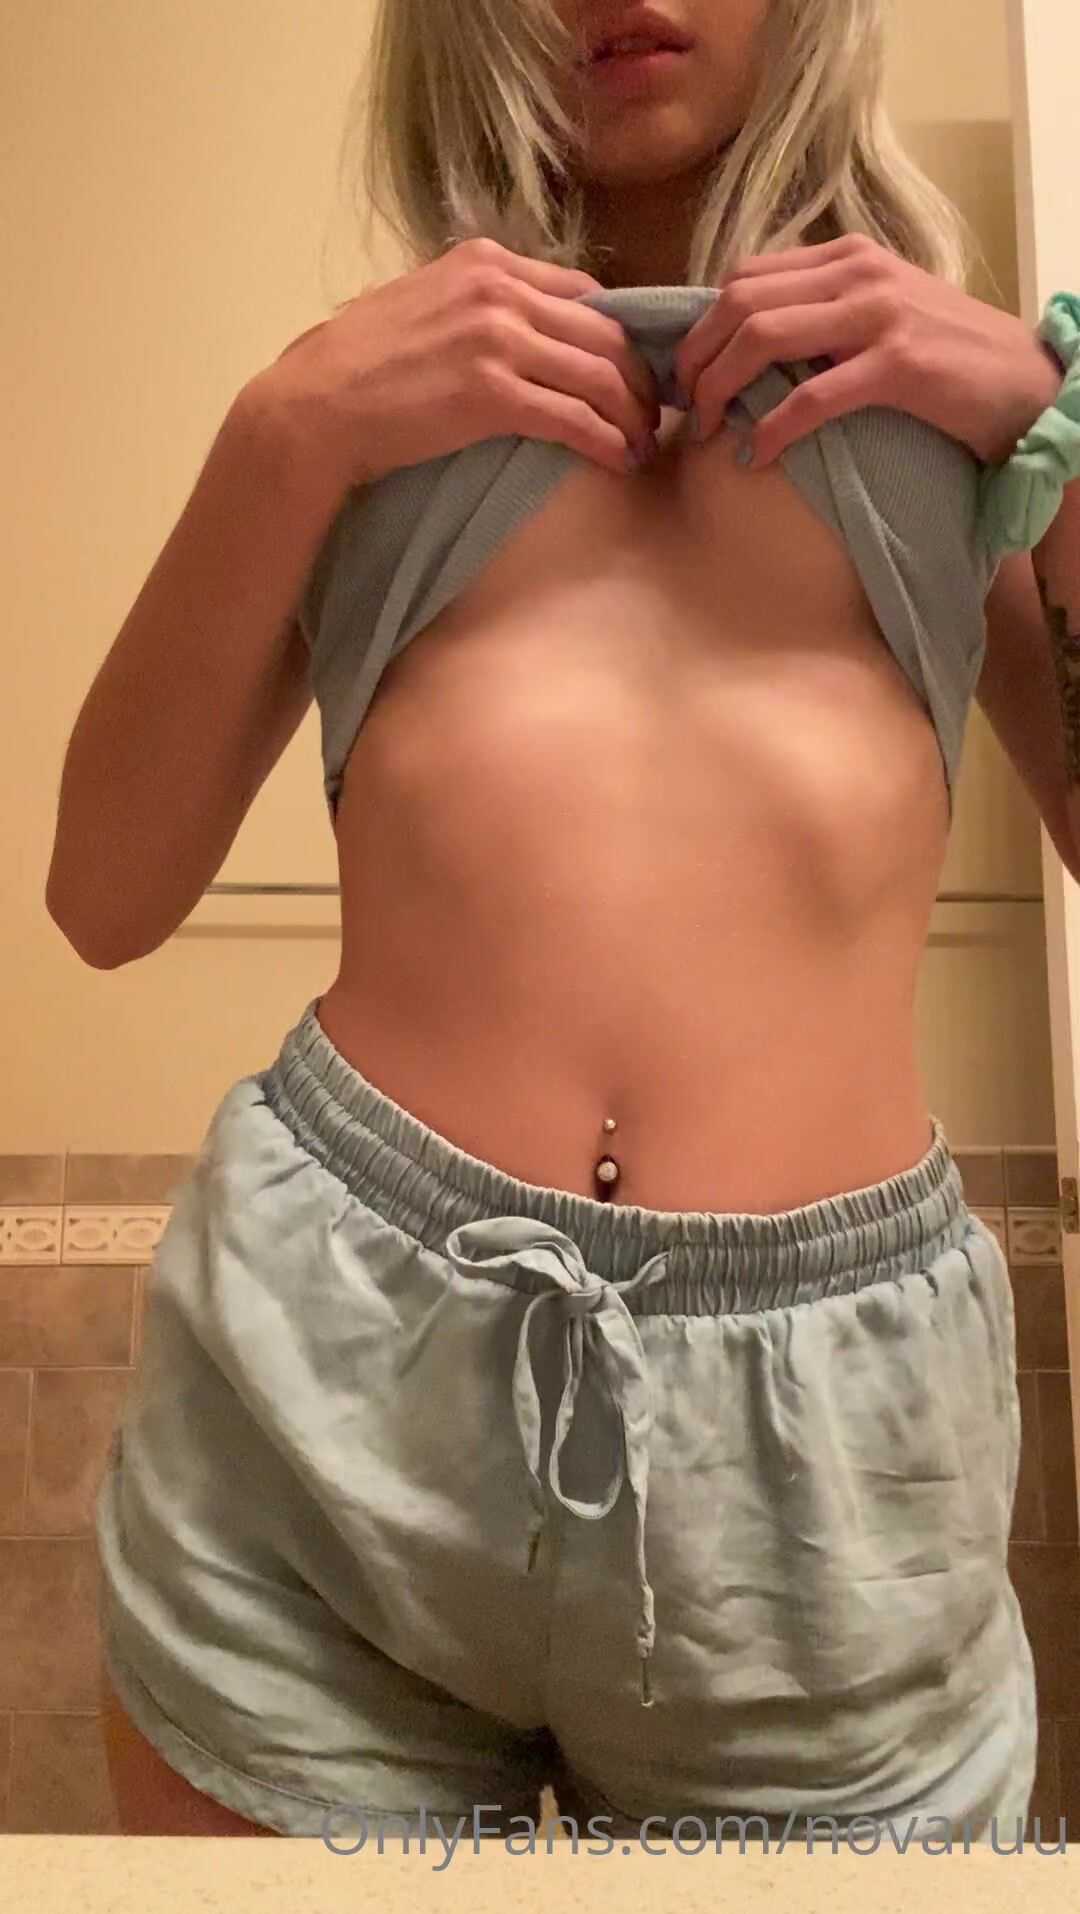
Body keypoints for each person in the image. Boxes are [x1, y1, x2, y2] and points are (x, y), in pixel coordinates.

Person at [47, 0, 1080, 1845]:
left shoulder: (953, 439)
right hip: (324, 1406)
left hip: (824, 1481)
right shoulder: (357, 416)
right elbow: (104, 895)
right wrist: (284, 427)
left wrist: (1053, 428)